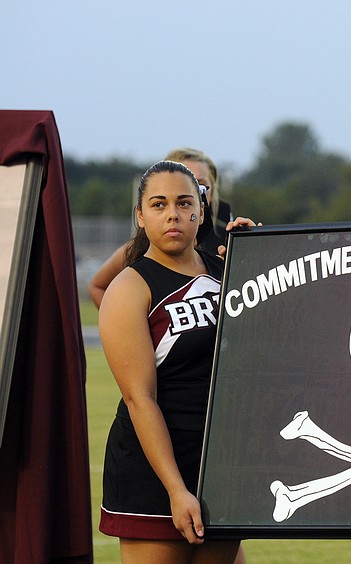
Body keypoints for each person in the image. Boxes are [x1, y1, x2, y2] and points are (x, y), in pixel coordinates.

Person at [98, 160, 253, 562]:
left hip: (220, 464)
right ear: (140, 215)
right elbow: (139, 398)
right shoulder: (130, 288)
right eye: (159, 204)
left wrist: (261, 254)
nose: (173, 214)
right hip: (154, 471)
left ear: (202, 211)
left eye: (185, 203)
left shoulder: (231, 269)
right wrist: (175, 490)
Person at [88, 147, 233, 308]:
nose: (173, 213)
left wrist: (252, 253)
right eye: (160, 204)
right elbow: (98, 286)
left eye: (199, 185)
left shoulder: (228, 242)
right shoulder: (136, 251)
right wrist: (123, 326)